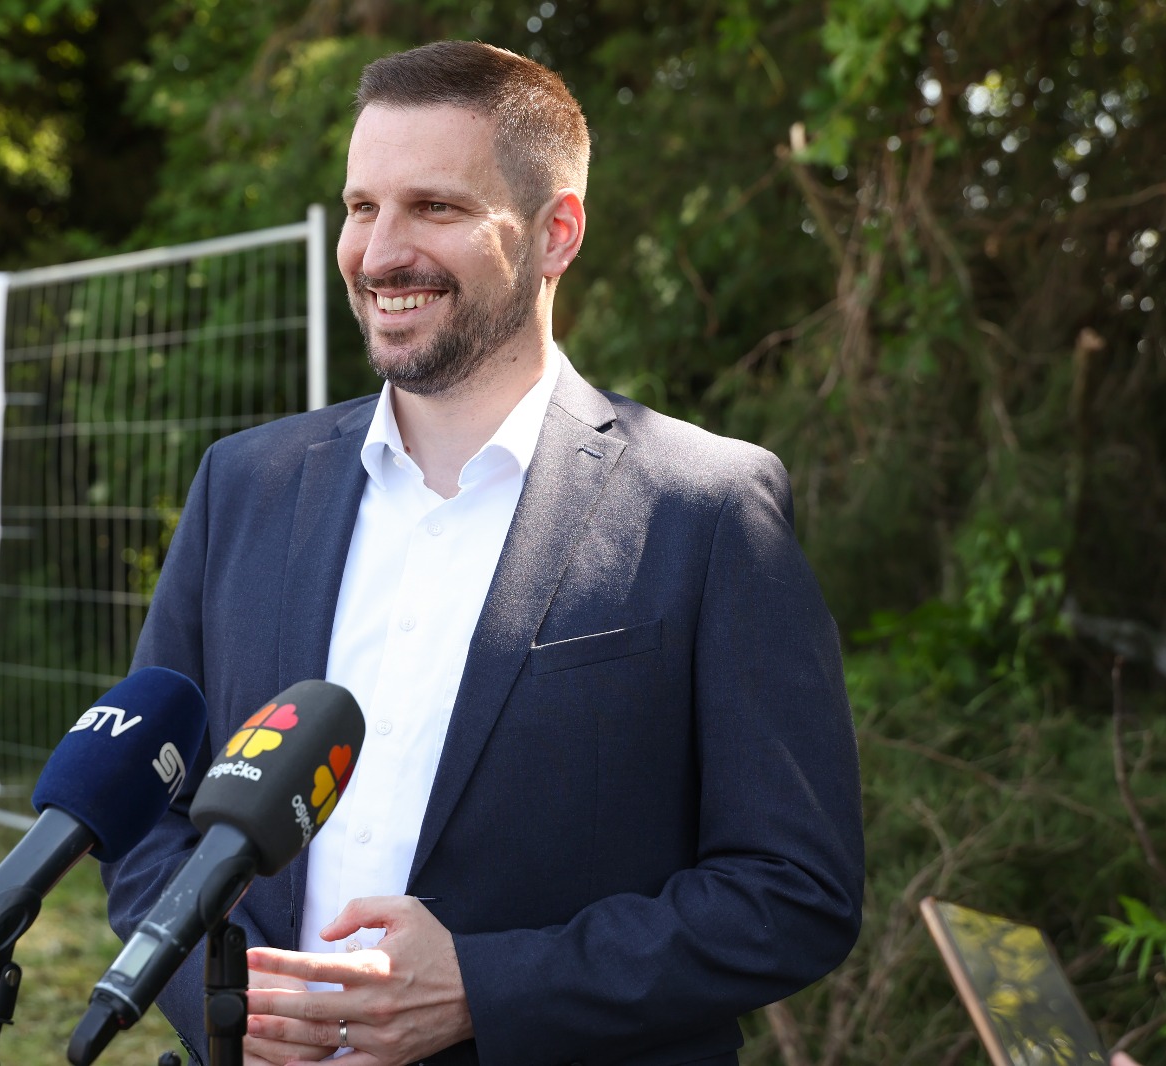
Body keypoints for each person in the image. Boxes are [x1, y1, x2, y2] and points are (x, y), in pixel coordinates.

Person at [102, 40, 865, 1066]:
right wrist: (221, 1000)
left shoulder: (705, 507)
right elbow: (140, 803)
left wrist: (486, 989)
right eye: (362, 207)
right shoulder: (244, 483)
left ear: (556, 233)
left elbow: (793, 891)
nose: (380, 253)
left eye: (435, 208)